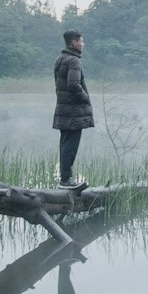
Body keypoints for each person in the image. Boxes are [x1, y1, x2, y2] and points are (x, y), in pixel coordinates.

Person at [53, 29, 94, 186]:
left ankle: (65, 179)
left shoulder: (60, 59)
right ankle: (66, 180)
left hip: (64, 109)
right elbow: (73, 85)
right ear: (74, 43)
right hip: (73, 111)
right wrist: (86, 98)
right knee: (70, 146)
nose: (83, 44)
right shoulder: (74, 60)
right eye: (81, 41)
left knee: (65, 144)